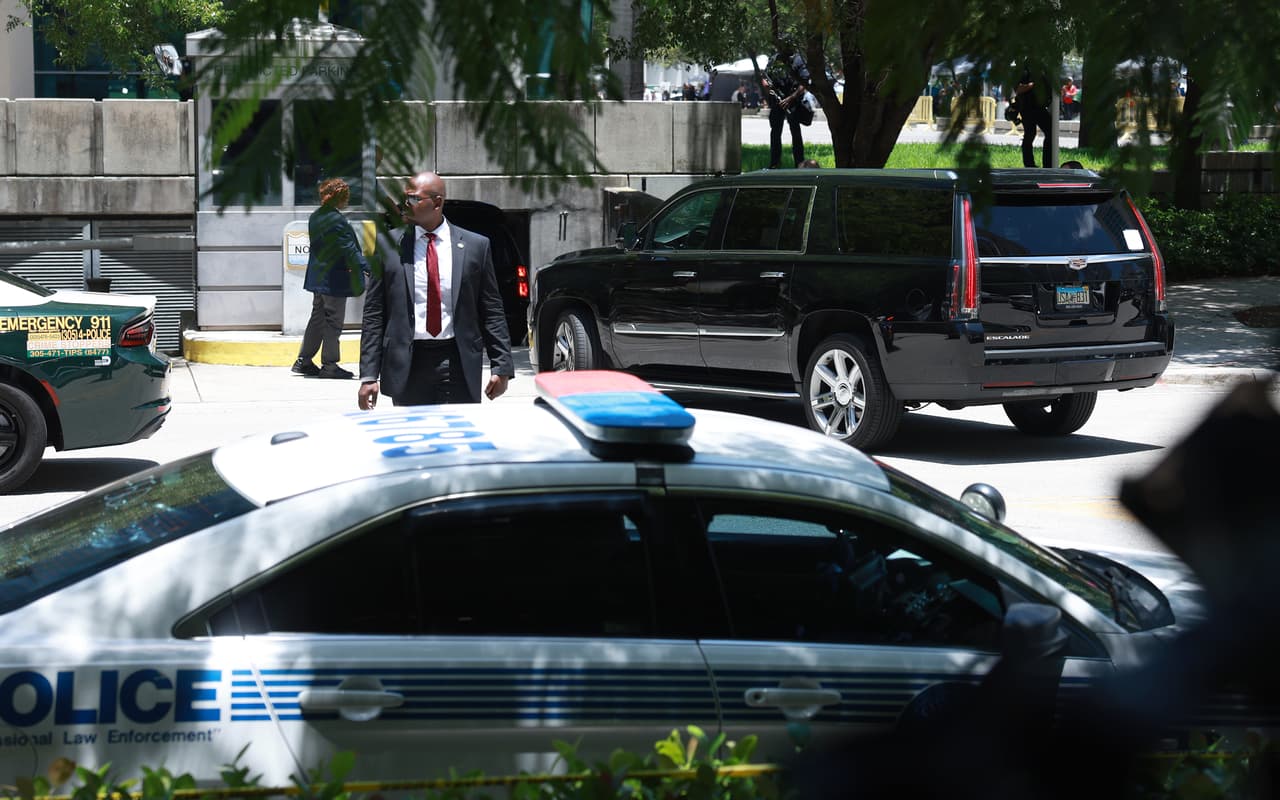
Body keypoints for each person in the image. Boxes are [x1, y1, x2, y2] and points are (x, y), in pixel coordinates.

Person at [357, 171, 514, 409]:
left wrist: (501, 366)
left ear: (437, 202)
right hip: (409, 365)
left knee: (458, 441)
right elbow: (374, 313)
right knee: (413, 440)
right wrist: (369, 374)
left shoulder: (476, 246)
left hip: (457, 361)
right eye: (404, 198)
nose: (404, 205)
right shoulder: (388, 247)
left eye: (413, 199)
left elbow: (492, 309)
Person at [292, 177, 368, 380]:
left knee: (317, 319)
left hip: (319, 279)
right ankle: (330, 366)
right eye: (345, 197)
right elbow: (348, 250)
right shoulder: (335, 220)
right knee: (333, 322)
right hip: (334, 281)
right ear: (339, 197)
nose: (347, 200)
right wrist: (370, 268)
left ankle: (304, 361)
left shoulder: (316, 216)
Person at [763, 51, 810, 169]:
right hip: (777, 101)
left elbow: (804, 82)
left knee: (795, 132)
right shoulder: (774, 59)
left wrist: (791, 98)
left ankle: (799, 163)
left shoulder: (798, 59)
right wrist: (768, 87)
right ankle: (774, 163)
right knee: (775, 132)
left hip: (792, 101)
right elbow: (765, 77)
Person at [1014, 60, 1053, 168]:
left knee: (1050, 133)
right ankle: (1029, 164)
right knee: (1031, 134)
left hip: (1039, 107)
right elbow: (1018, 89)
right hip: (1028, 108)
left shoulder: (1043, 70)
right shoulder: (1023, 71)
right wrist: (1033, 84)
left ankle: (1048, 163)